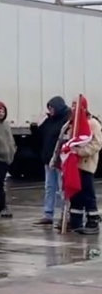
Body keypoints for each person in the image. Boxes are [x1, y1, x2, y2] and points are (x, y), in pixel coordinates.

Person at [51, 97, 102, 234]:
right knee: (75, 194)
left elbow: (96, 144)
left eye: (76, 106)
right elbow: (64, 141)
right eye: (72, 106)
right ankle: (75, 221)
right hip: (73, 166)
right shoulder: (71, 124)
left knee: (87, 194)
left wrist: (79, 152)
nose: (73, 108)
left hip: (86, 165)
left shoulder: (93, 124)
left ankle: (93, 222)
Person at [33, 97, 70, 227]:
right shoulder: (50, 120)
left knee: (62, 188)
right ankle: (48, 214)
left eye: (52, 108)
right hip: (49, 159)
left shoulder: (66, 119)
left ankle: (64, 215)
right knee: (49, 187)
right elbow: (40, 135)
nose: (50, 111)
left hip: (60, 160)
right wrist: (36, 125)